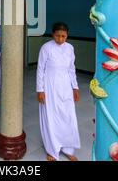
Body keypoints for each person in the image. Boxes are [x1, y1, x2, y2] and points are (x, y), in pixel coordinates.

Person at [37, 22, 80, 161]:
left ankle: (68, 148)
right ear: (52, 34)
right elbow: (40, 70)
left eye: (63, 36)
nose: (60, 39)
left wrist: (75, 87)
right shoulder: (46, 48)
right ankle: (52, 150)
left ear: (67, 35)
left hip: (66, 87)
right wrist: (40, 90)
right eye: (57, 36)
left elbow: (71, 69)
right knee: (51, 117)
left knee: (68, 117)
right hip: (50, 86)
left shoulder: (70, 48)